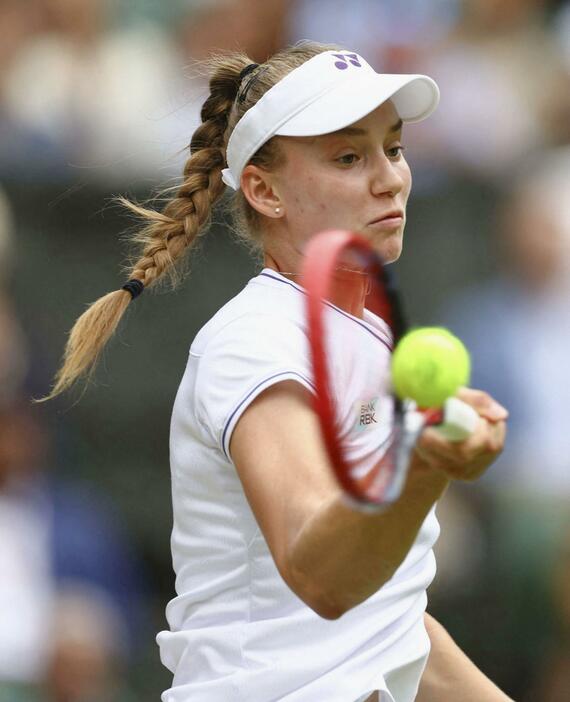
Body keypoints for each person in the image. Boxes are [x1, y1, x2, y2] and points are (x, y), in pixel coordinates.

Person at [47, 42, 510, 702]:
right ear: (264, 190)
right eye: (350, 156)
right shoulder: (252, 342)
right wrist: (425, 465)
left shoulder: (371, 338)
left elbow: (392, 628)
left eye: (395, 148)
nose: (390, 179)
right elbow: (319, 574)